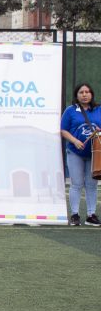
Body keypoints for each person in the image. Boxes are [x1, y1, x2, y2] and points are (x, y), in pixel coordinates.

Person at [60, 82, 101, 226]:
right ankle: (75, 214)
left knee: (91, 185)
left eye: (87, 92)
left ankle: (91, 215)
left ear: (92, 94)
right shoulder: (70, 110)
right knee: (76, 184)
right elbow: (63, 130)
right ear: (77, 95)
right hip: (75, 152)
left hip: (94, 153)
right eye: (81, 92)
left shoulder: (98, 109)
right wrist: (75, 140)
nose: (84, 95)